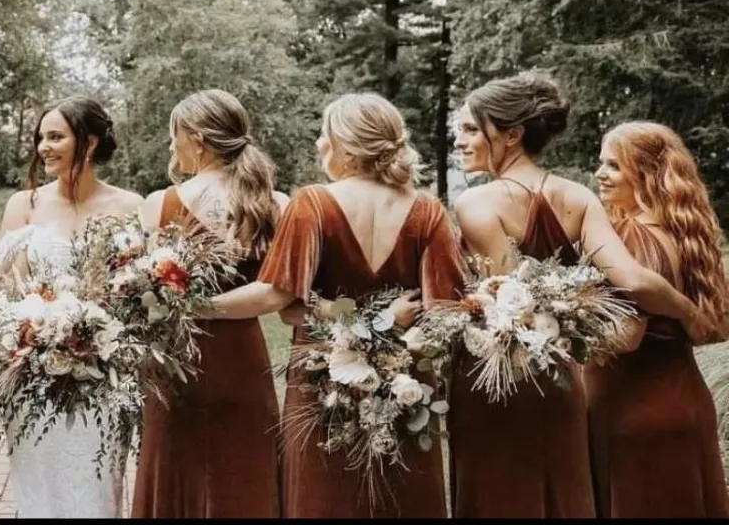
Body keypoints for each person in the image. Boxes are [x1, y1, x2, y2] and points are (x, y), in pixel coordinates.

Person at [448, 72, 706, 518]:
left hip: (496, 384)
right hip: (562, 386)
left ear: (512, 135)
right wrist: (688, 312)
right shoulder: (578, 196)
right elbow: (635, 279)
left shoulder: (475, 205)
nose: (461, 139)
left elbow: (511, 304)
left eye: (473, 128)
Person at [203, 93, 463, 518]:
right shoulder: (427, 212)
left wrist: (194, 306)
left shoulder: (313, 204)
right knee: (403, 497)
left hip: (321, 384)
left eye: (324, 135)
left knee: (323, 500)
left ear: (344, 145)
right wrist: (384, 324)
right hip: (406, 385)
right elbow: (445, 314)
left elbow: (282, 303)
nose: (319, 144)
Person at [132, 89, 284, 518]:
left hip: (176, 362)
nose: (170, 146)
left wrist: (191, 307)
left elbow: (139, 291)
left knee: (177, 469)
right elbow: (278, 292)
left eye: (173, 135)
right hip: (243, 361)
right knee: (243, 473)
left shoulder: (160, 204)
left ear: (197, 139)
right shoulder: (275, 203)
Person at [0, 96, 143, 518]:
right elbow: (9, 290)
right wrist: (37, 329)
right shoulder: (22, 205)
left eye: (56, 137)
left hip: (103, 376)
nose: (44, 146)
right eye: (41, 137)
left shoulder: (130, 207)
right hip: (35, 376)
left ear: (90, 142)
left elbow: (135, 293)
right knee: (39, 490)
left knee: (96, 489)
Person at [587, 122, 729, 517]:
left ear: (645, 174)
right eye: (601, 164)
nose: (600, 174)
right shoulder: (681, 235)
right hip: (684, 404)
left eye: (613, 166)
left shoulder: (634, 238)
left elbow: (627, 335)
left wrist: (557, 335)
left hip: (635, 414)